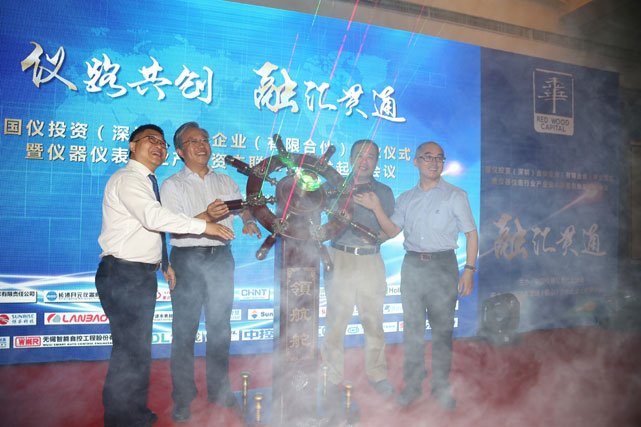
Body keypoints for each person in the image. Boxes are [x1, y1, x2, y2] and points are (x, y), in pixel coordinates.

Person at [95, 124, 234, 427]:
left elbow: (143, 230)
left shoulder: (147, 180)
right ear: (132, 146)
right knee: (129, 351)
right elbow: (153, 218)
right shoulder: (129, 179)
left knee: (137, 350)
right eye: (151, 140)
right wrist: (206, 225)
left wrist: (163, 262)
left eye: (162, 143)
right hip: (123, 273)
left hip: (140, 273)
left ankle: (134, 412)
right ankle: (121, 419)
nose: (158, 146)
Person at [355, 141, 478, 410]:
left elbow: (471, 234)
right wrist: (376, 213)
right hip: (412, 267)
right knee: (412, 330)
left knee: (442, 331)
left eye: (439, 158)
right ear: (415, 162)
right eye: (428, 157)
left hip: (443, 267)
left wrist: (469, 270)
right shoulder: (406, 198)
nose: (434, 162)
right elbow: (392, 230)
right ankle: (412, 384)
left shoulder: (456, 195)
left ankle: (441, 386)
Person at [160, 122, 262, 423]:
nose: (201, 144)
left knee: (220, 328)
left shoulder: (226, 180)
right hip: (187, 260)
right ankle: (183, 397)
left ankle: (219, 389)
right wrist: (208, 217)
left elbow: (241, 207)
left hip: (221, 259)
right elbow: (173, 227)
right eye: (193, 141)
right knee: (184, 332)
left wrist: (248, 219)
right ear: (180, 151)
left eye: (204, 139)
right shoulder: (172, 185)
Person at [321, 139, 396, 398]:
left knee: (373, 321)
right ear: (351, 159)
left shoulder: (384, 191)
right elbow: (312, 216)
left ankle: (377, 374)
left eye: (371, 156)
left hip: (371, 261)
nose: (365, 161)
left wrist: (376, 237)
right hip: (339, 257)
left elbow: (391, 229)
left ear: (377, 161)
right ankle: (331, 377)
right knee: (335, 321)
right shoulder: (332, 186)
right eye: (360, 156)